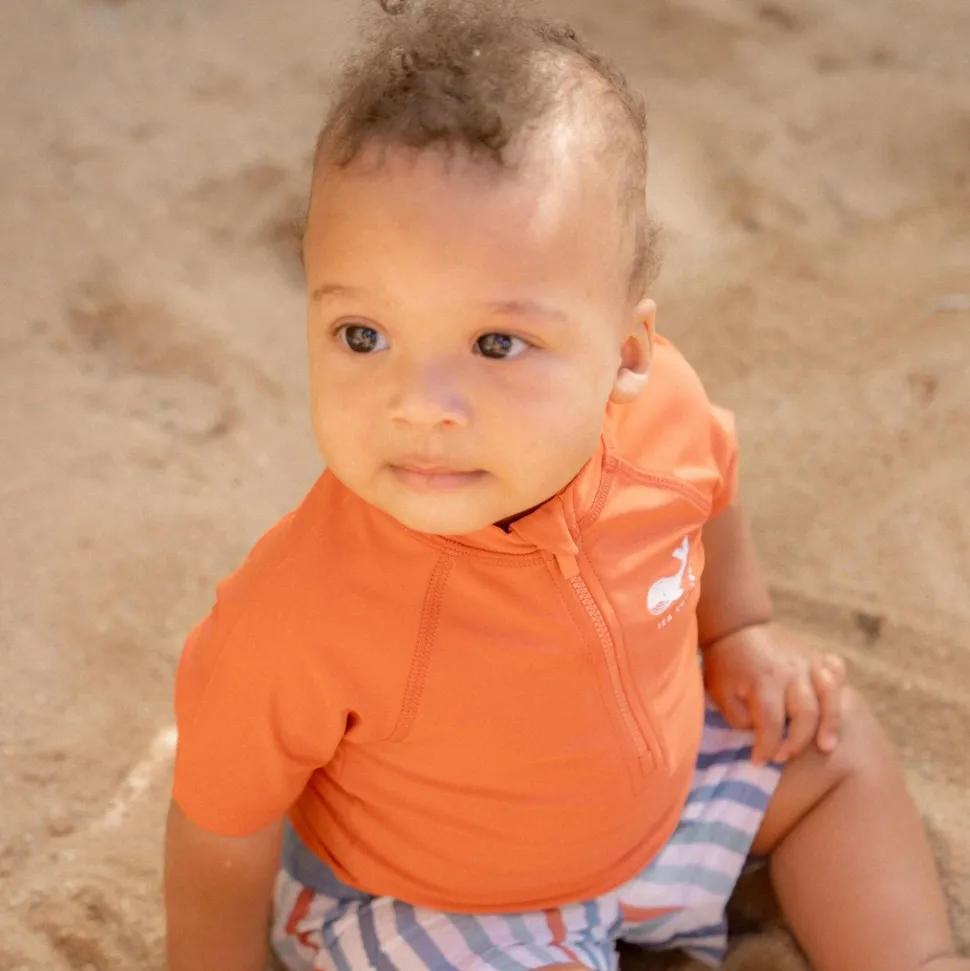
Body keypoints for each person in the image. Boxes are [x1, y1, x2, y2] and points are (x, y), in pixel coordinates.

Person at [163, 2, 969, 970]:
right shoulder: (303, 608)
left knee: (824, 737)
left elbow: (711, 490)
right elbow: (219, 824)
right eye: (362, 335)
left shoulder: (662, 413)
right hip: (438, 903)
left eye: (497, 343)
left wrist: (738, 629)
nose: (418, 406)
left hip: (661, 808)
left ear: (625, 354)